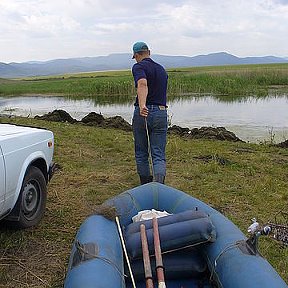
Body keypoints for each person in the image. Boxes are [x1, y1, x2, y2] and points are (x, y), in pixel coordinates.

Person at [131, 41, 168, 185]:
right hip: (161, 112)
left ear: (136, 54)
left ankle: (146, 186)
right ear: (149, 52)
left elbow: (142, 84)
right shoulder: (161, 69)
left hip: (144, 113)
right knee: (158, 154)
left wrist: (142, 106)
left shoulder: (138, 67)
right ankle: (159, 187)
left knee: (141, 153)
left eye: (135, 57)